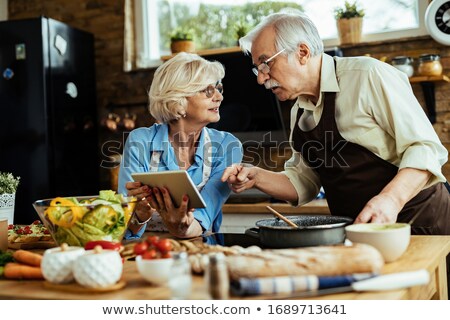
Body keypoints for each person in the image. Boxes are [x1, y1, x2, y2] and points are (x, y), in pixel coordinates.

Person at [222, 10, 450, 235]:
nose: (261, 78)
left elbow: (426, 148)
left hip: (421, 222)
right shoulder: (299, 111)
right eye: (257, 70)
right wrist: (257, 176)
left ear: (302, 52)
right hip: (360, 232)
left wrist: (391, 199)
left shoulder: (368, 76)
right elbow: (303, 182)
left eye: (266, 64)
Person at [119, 52, 243, 239]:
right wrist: (140, 215)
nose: (219, 97)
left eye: (219, 89)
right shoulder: (140, 141)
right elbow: (123, 227)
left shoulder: (227, 146)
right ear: (179, 98)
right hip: (146, 251)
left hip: (200, 249)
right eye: (208, 90)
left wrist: (181, 226)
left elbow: (203, 219)